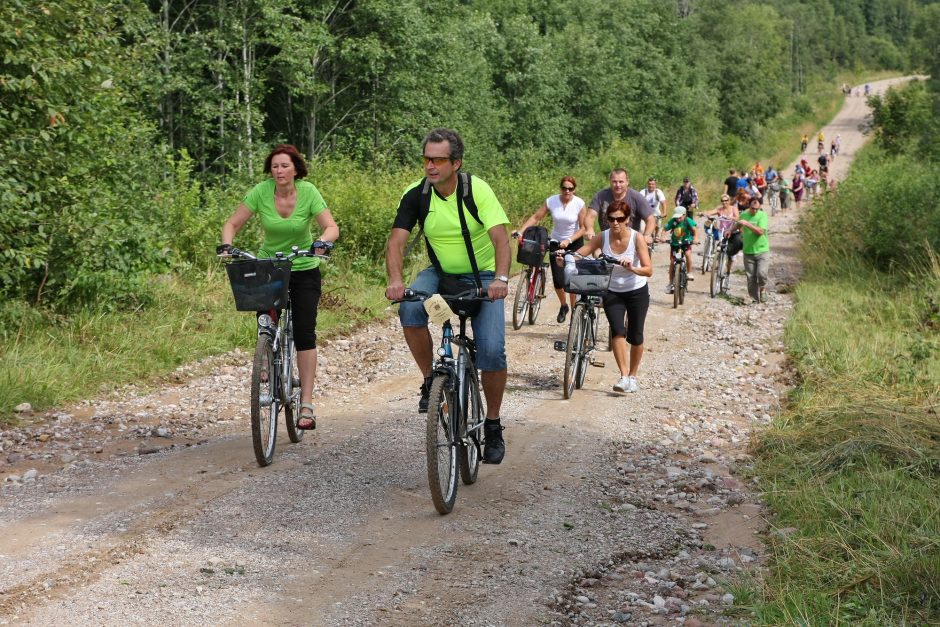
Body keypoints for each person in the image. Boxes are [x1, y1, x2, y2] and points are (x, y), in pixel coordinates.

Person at [385, 128, 510, 464]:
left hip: (483, 277)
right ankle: (430, 381)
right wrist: (396, 279)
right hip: (440, 274)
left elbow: (501, 239)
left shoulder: (476, 190)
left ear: (456, 163)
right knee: (409, 309)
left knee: (493, 351)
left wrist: (500, 278)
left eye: (438, 159)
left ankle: (494, 425)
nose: (430, 165)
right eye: (426, 158)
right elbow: (396, 241)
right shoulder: (417, 194)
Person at [219, 144, 340, 431]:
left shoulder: (308, 191)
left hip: (303, 268)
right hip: (270, 267)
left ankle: (307, 404)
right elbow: (232, 223)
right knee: (266, 322)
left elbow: (331, 226)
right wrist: (226, 245)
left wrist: (323, 242)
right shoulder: (261, 192)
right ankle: (266, 356)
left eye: (284, 166)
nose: (279, 171)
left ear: (295, 168)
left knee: (305, 333)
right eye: (274, 166)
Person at [567, 200, 651, 393]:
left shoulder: (637, 238)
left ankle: (633, 376)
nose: (615, 222)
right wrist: (569, 257)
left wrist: (632, 267)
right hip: (612, 290)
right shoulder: (602, 237)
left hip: (637, 290)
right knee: (617, 330)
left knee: (636, 335)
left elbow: (649, 270)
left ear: (627, 220)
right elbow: (584, 252)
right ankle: (623, 376)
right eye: (611, 218)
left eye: (620, 218)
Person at [513, 175, 587, 323]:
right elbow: (536, 217)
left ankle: (574, 314)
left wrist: (569, 240)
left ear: (574, 189)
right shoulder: (552, 201)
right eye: (564, 188)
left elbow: (583, 228)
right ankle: (564, 305)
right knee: (559, 281)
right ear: (560, 188)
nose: (567, 191)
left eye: (570, 189)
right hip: (556, 242)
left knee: (572, 280)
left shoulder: (579, 203)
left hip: (574, 242)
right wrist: (521, 231)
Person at [586, 168, 656, 244]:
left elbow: (650, 219)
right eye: (614, 182)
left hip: (631, 243)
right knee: (596, 253)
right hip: (607, 241)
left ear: (627, 182)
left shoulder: (637, 197)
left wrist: (647, 234)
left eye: (621, 182)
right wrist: (589, 229)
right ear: (610, 182)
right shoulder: (600, 196)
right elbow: (590, 216)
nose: (618, 185)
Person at [739, 196, 770, 303]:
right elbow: (738, 223)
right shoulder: (744, 214)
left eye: (757, 208)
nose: (754, 210)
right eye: (753, 208)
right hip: (748, 251)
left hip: (762, 250)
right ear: (749, 205)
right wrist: (730, 230)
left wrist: (747, 224)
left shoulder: (763, 216)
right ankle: (754, 298)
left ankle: (763, 289)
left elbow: (760, 231)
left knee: (762, 273)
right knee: (750, 277)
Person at [703, 194, 741, 277]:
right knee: (720, 246)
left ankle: (728, 269)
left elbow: (737, 217)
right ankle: (719, 262)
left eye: (726, 200)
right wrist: (703, 213)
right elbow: (710, 212)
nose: (724, 202)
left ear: (729, 201)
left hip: (731, 231)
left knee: (730, 253)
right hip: (722, 231)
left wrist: (730, 218)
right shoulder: (719, 210)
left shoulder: (733, 209)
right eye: (723, 201)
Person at [663, 206, 697, 294]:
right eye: (676, 217)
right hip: (675, 243)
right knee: (672, 262)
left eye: (680, 217)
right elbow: (664, 229)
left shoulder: (688, 220)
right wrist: (663, 237)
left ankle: (689, 272)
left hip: (686, 242)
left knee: (688, 254)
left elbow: (694, 229)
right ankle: (670, 283)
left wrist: (695, 239)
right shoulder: (673, 221)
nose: (678, 219)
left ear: (684, 215)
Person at [640, 177, 667, 243]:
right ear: (647, 184)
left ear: (655, 185)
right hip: (645, 212)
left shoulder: (658, 192)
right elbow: (638, 202)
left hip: (655, 212)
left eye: (652, 184)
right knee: (641, 229)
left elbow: (663, 202)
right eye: (649, 184)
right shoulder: (643, 192)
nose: (651, 186)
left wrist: (664, 212)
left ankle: (657, 234)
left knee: (658, 222)